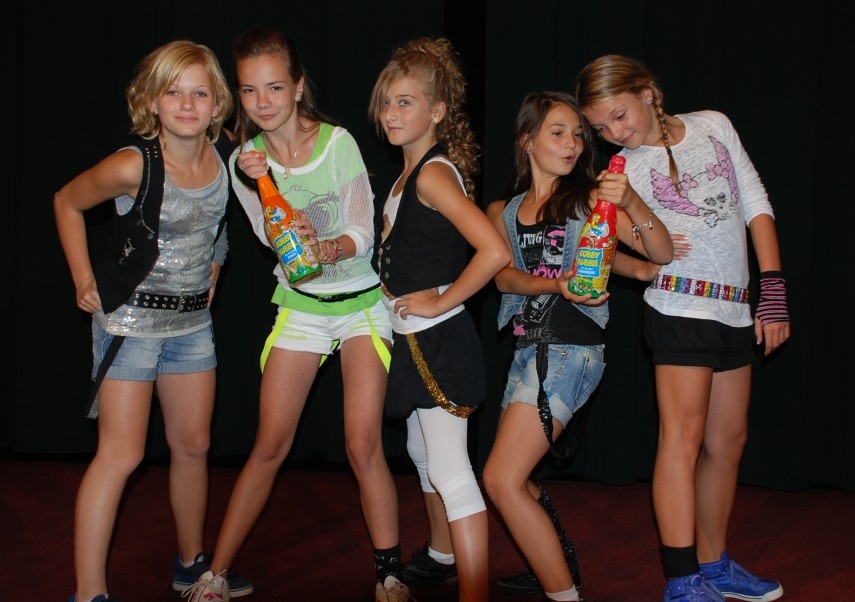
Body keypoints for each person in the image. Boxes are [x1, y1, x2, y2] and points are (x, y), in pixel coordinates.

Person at [182, 28, 401, 602]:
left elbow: (362, 232)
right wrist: (263, 186)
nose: (262, 102)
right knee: (269, 445)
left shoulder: (339, 143)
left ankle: (389, 575)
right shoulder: (244, 161)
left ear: (298, 87)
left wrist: (323, 246)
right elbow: (271, 240)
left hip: (359, 305)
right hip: (301, 310)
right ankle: (215, 575)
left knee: (362, 445)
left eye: (275, 87)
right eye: (249, 90)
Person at [575, 54, 790, 602]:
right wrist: (629, 203)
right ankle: (681, 578)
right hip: (677, 308)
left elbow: (754, 200)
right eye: (600, 127)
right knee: (683, 438)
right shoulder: (619, 175)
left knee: (728, 441)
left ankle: (714, 564)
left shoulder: (713, 125)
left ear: (647, 93)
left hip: (734, 308)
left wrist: (772, 289)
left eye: (619, 115)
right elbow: (655, 251)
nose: (614, 132)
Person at [53, 40, 252, 602]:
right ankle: (89, 594)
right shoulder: (132, 164)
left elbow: (221, 220)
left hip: (192, 325)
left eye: (199, 93)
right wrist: (82, 278)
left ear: (217, 105)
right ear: (151, 102)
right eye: (173, 92)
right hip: (129, 325)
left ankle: (190, 565)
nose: (187, 104)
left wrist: (217, 260)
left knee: (193, 445)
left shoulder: (229, 155)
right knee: (122, 454)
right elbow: (66, 202)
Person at [481, 91, 674, 602]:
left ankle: (564, 593)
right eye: (557, 132)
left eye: (577, 134)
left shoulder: (590, 199)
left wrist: (633, 207)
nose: (572, 144)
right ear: (527, 141)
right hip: (528, 351)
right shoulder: (503, 210)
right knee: (516, 480)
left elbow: (658, 250)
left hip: (571, 349)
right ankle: (555, 561)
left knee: (500, 479)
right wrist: (558, 283)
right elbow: (503, 278)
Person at [368, 37, 510, 602]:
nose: (391, 113)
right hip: (412, 337)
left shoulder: (431, 175)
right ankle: (445, 556)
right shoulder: (408, 175)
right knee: (423, 454)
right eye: (386, 102)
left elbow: (494, 251)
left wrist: (440, 301)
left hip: (438, 338)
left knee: (452, 472)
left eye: (405, 102)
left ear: (438, 111)